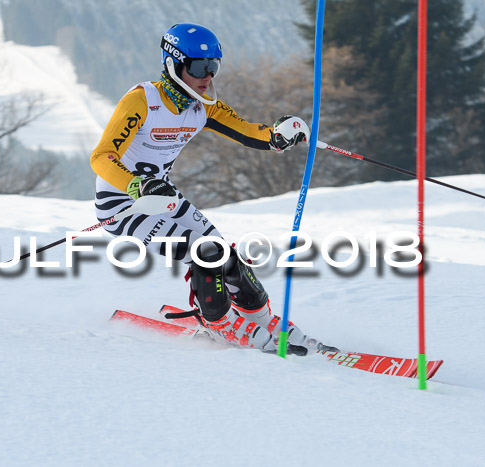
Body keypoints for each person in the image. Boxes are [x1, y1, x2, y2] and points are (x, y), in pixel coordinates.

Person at [90, 23, 336, 354]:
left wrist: (278, 135)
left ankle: (262, 320)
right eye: (199, 67)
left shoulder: (202, 106)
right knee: (206, 252)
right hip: (123, 205)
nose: (207, 77)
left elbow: (248, 131)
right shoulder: (142, 101)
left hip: (161, 196)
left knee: (226, 254)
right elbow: (101, 156)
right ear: (174, 65)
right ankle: (221, 324)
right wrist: (135, 184)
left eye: (213, 67)